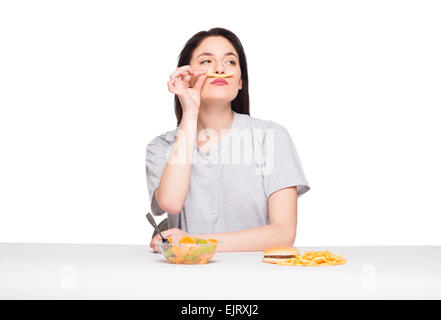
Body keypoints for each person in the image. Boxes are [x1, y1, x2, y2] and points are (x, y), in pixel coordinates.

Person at [146, 27, 310, 252]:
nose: (220, 69)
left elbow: (283, 233)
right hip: (188, 275)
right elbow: (171, 203)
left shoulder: (270, 137)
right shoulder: (161, 147)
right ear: (186, 75)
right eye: (206, 62)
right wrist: (190, 112)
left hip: (256, 276)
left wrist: (199, 243)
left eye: (230, 62)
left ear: (240, 81)